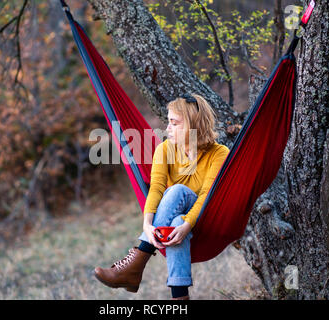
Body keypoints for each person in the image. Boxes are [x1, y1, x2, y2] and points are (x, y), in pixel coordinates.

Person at [93, 93, 230, 300]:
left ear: (192, 125)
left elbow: (205, 196)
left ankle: (137, 262)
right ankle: (179, 299)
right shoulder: (165, 149)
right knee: (174, 220)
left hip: (206, 218)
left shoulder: (219, 154)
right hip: (176, 222)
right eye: (168, 122)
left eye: (174, 123)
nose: (167, 128)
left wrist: (187, 225)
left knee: (176, 191)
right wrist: (147, 225)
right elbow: (156, 188)